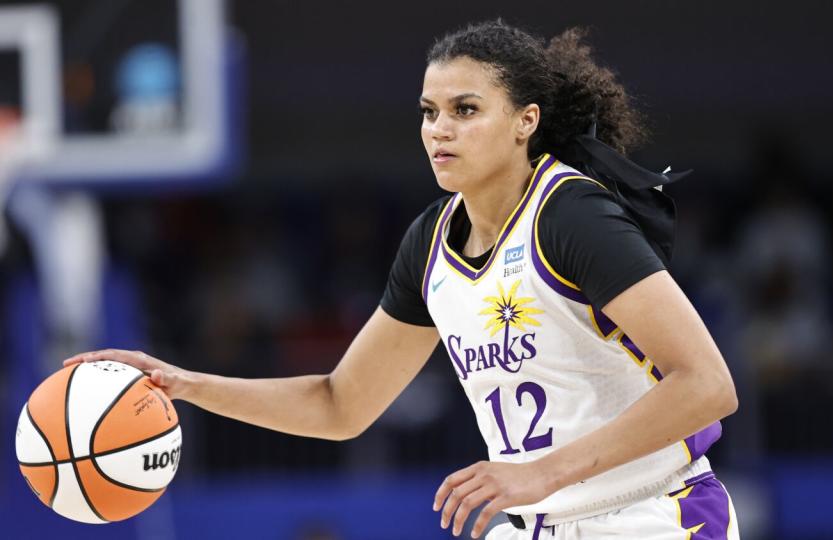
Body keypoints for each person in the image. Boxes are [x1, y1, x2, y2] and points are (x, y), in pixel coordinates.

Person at [66, 20, 740, 539]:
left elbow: (707, 384)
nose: (439, 130)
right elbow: (340, 405)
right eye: (428, 111)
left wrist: (540, 473)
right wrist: (185, 385)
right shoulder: (430, 241)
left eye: (465, 110)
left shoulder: (570, 215)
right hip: (537, 523)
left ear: (524, 122)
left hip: (653, 513)